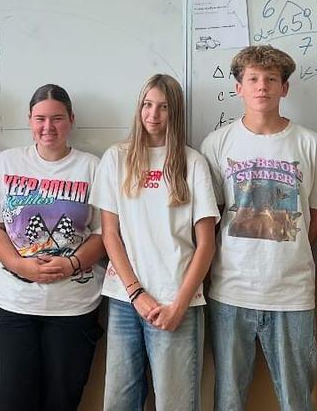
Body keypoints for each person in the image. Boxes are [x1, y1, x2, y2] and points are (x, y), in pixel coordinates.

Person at [199, 46, 317, 411]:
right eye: (253, 79)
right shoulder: (217, 144)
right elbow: (212, 214)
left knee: (297, 399)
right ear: (239, 87)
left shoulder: (310, 144)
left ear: (284, 88)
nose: (262, 87)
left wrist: (289, 246)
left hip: (292, 293)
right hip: (231, 291)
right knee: (228, 398)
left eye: (271, 79)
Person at [0, 84, 104, 411]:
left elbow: (104, 234)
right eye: (40, 119)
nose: (48, 127)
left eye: (57, 118)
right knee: (9, 402)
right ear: (29, 120)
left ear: (71, 119)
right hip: (13, 304)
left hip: (73, 308)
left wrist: (72, 264)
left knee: (62, 402)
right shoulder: (7, 163)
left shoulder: (92, 167)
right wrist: (19, 265)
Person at [95, 74, 218, 410]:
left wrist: (179, 305)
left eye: (163, 107)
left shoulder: (192, 163)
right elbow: (110, 234)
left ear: (174, 112)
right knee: (119, 401)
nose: (153, 114)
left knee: (174, 403)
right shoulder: (116, 158)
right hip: (125, 299)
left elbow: (206, 243)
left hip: (177, 301)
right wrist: (136, 293)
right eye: (147, 105)